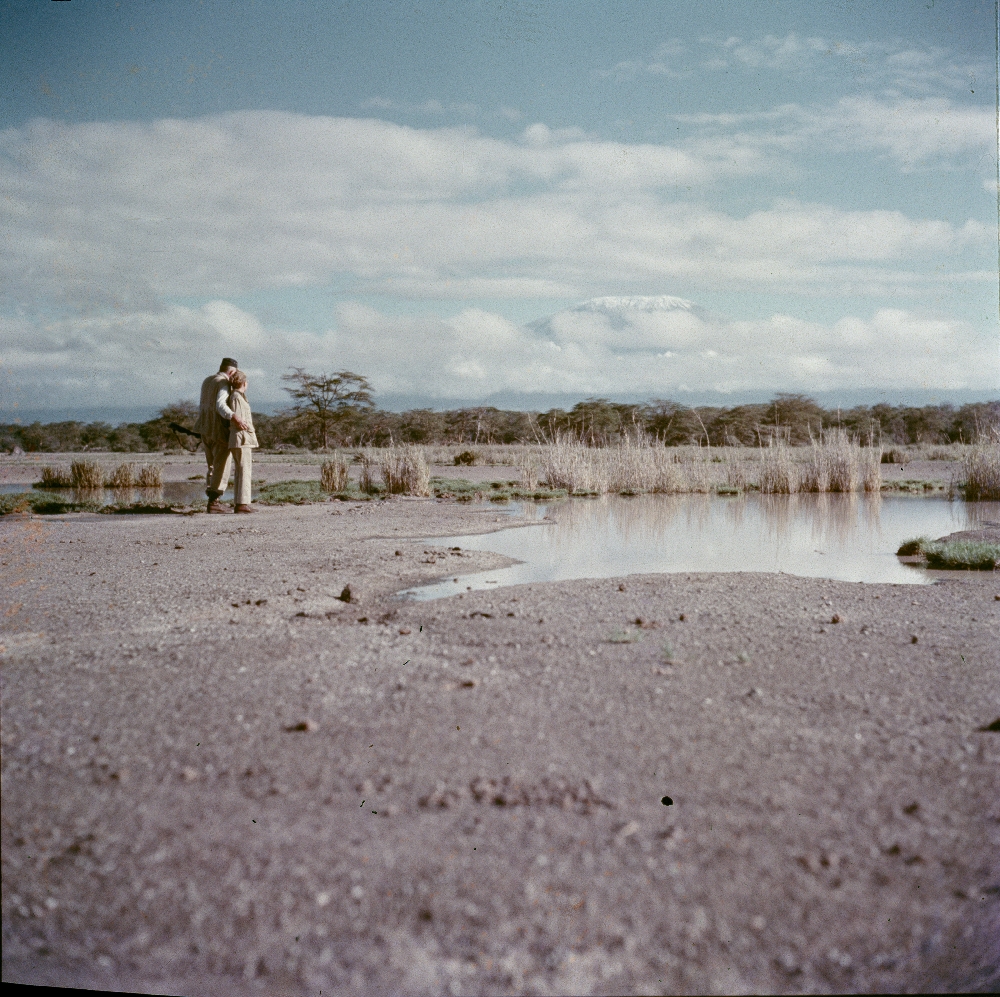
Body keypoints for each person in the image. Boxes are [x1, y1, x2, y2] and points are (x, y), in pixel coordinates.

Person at [194, 357, 247, 512]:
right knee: (221, 465)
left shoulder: (207, 380)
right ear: (232, 371)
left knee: (212, 465)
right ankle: (214, 502)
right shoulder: (223, 383)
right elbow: (220, 405)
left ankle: (212, 501)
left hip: (205, 429)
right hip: (218, 429)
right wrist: (235, 417)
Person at [226, 369, 258, 513]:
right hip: (241, 438)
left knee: (241, 469)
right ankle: (242, 504)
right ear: (244, 383)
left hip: (240, 438)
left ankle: (241, 502)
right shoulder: (237, 397)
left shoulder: (237, 396)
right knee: (244, 470)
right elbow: (239, 420)